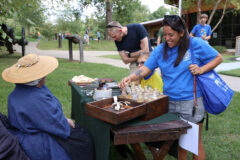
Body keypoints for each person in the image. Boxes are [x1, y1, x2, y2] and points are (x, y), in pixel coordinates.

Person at [120, 15, 222, 159]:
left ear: (181, 33)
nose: (167, 38)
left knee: (194, 145)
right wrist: (131, 77)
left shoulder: (195, 44)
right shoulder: (160, 50)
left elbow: (218, 58)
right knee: (180, 145)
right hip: (169, 104)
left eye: (171, 35)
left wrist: (201, 69)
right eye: (165, 34)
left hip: (191, 104)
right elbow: (145, 69)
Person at [2, 54, 94, 160]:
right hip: (38, 141)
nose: (45, 78)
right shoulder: (36, 99)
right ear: (38, 78)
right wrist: (65, 121)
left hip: (26, 133)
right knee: (83, 139)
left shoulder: (14, 94)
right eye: (43, 76)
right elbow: (58, 126)